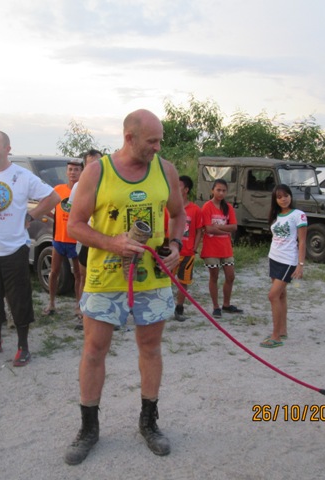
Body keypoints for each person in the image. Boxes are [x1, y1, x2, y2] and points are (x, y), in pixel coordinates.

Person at [64, 109, 185, 465]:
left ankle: (149, 423)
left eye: (160, 140)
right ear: (129, 138)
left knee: (150, 347)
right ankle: (89, 428)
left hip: (153, 278)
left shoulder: (166, 170)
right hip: (106, 278)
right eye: (152, 141)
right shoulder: (97, 171)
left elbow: (179, 214)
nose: (158, 147)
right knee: (94, 350)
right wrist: (112, 243)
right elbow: (75, 225)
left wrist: (176, 245)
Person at [0, 130, 60, 367]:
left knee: (19, 300)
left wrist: (31, 215)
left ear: (7, 149)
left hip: (15, 249)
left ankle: (23, 347)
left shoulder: (22, 175)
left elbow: (53, 197)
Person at [261, 184, 307, 348]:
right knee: (281, 295)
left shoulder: (298, 215)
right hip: (274, 258)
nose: (283, 199)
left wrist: (300, 265)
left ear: (290, 196)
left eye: (286, 195)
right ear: (275, 200)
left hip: (288, 260)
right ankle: (282, 330)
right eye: (279, 197)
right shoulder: (276, 216)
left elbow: (302, 242)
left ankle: (275, 337)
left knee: (272, 295)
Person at [43, 157, 84, 317]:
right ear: (66, 172)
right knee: (54, 272)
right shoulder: (58, 189)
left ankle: (78, 306)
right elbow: (46, 205)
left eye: (76, 170)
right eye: (70, 169)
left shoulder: (83, 191)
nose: (73, 173)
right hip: (59, 238)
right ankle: (51, 303)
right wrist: (55, 217)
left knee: (78, 275)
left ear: (82, 172)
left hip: (76, 240)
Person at [68, 149, 102, 329]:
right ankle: (82, 311)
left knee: (106, 275)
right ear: (85, 166)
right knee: (84, 275)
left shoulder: (110, 183)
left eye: (99, 163)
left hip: (105, 237)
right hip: (86, 236)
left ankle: (106, 313)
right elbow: (72, 214)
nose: (96, 167)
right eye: (91, 164)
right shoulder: (78, 186)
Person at [200, 179, 243, 318]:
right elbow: (208, 229)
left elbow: (234, 227)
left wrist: (217, 227)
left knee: (230, 276)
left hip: (226, 248)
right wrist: (225, 230)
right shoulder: (207, 207)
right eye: (218, 190)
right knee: (214, 276)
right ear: (212, 190)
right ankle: (215, 306)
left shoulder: (228, 207)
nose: (221, 193)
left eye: (224, 190)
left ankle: (226, 304)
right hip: (211, 248)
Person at [172, 175, 204, 322]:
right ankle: (163, 307)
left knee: (183, 281)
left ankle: (179, 308)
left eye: (178, 186)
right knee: (165, 281)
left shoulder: (195, 210)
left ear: (186, 190)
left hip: (187, 252)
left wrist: (194, 248)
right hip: (171, 252)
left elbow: (199, 230)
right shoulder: (169, 207)